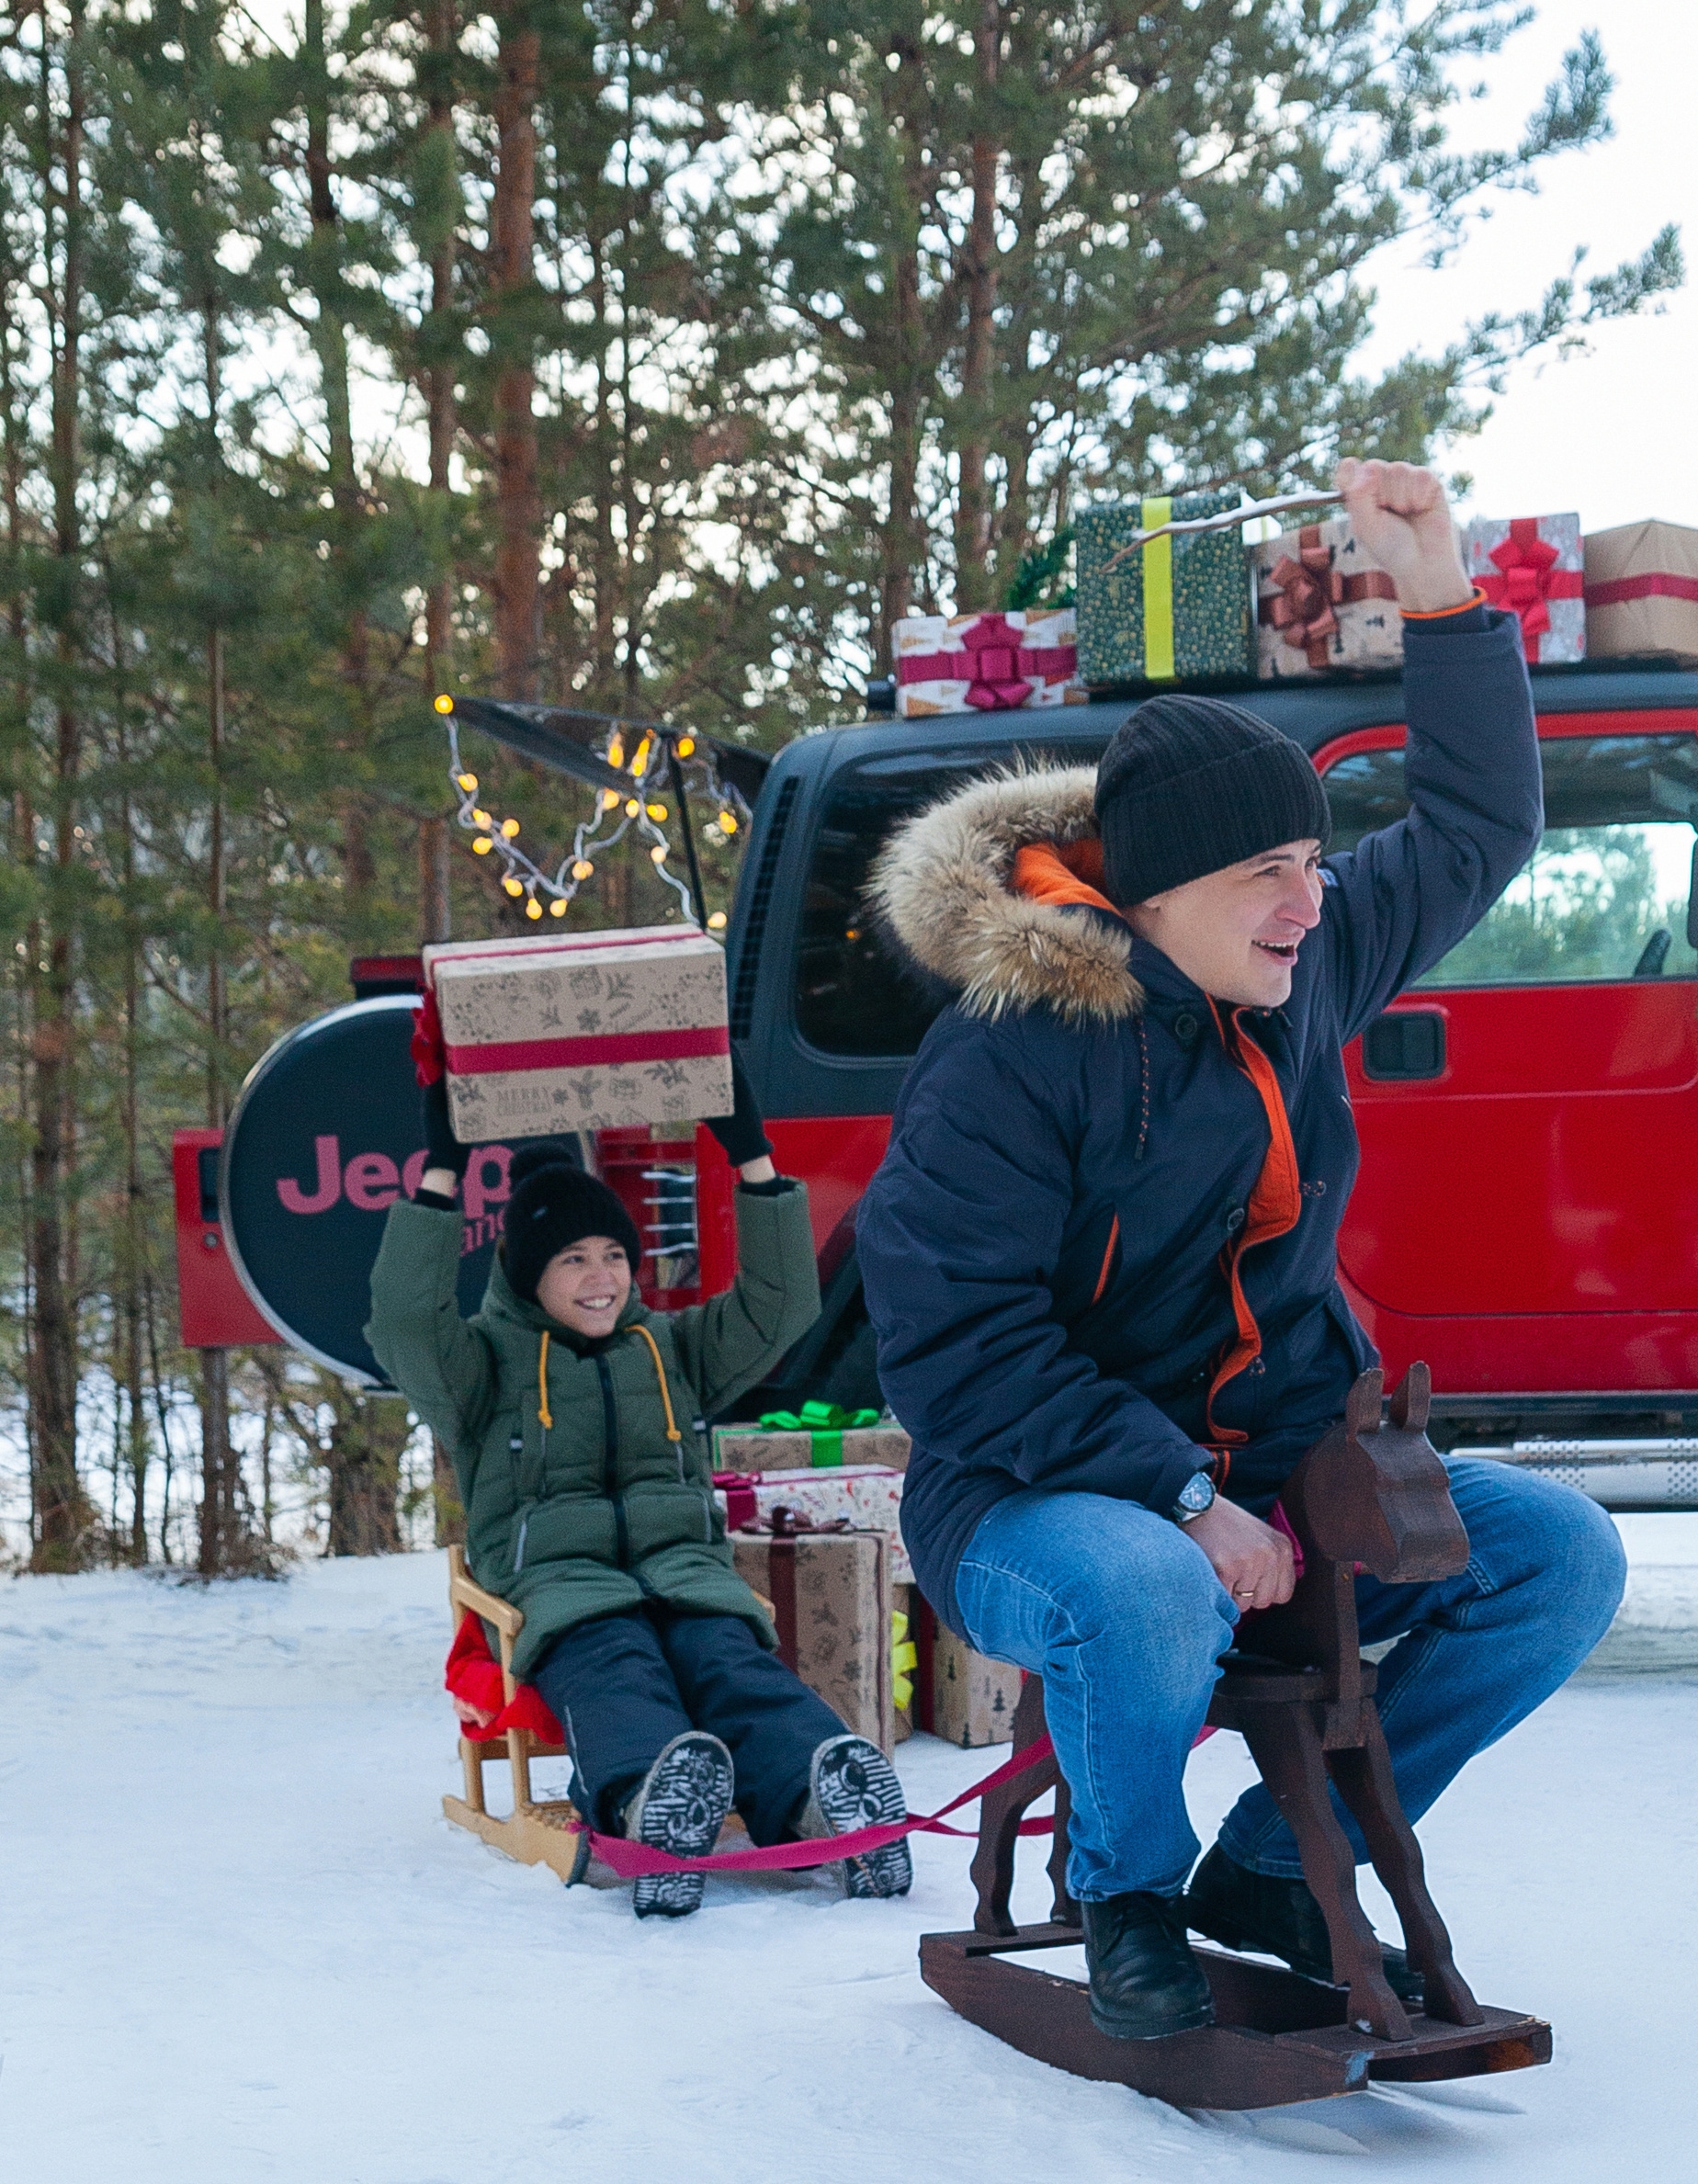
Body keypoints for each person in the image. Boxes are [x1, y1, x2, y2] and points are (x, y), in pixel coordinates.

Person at [857, 458, 1628, 2038]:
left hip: (1272, 1465)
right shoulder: (1008, 1052)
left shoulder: (1299, 963)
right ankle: (1129, 1895)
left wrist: (1437, 583)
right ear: (1152, 898)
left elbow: (1478, 824)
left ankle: (1280, 1864)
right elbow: (953, 1351)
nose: (1309, 900)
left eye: (1313, 863)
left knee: (1558, 1556)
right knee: (1145, 1583)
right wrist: (1181, 1494)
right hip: (1024, 1501)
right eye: (1266, 873)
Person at [367, 1049, 914, 1918]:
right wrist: (441, 1173)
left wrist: (752, 1156)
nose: (602, 1278)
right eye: (573, 1259)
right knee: (618, 1678)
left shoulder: (670, 1348)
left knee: (737, 1670)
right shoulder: (479, 1367)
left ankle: (827, 1800)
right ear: (527, 1273)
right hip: (565, 1593)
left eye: (614, 1254)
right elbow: (403, 1322)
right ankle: (650, 1808)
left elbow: (780, 1306)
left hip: (687, 1577)